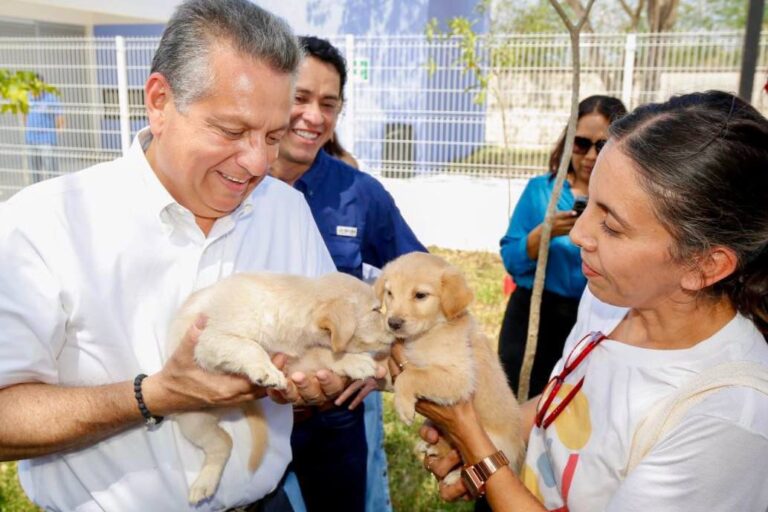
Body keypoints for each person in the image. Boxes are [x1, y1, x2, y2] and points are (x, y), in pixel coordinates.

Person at [0, 2, 362, 511]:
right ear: (159, 101)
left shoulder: (287, 211)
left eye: (273, 136)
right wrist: (154, 395)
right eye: (232, 131)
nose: (258, 162)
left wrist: (320, 381)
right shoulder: (43, 224)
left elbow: (325, 359)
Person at [393, 90, 768, 511]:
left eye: (611, 224)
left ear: (704, 265)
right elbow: (563, 397)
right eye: (588, 207)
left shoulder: (727, 416)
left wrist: (475, 445)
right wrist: (500, 436)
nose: (577, 235)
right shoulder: (609, 299)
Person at [270, 36, 427, 512]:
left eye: (328, 103)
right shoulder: (235, 184)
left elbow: (424, 279)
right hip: (245, 404)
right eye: (300, 97)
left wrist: (384, 363)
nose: (314, 116)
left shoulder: (359, 192)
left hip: (334, 413)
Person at [497, 95, 627, 396]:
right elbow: (511, 260)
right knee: (518, 397)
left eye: (602, 145)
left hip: (595, 320)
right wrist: (542, 235)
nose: (591, 156)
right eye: (581, 144)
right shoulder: (543, 191)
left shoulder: (624, 201)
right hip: (534, 314)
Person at [24, 75, 64, 183]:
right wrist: (27, 128)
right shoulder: (27, 98)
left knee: (50, 167)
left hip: (46, 139)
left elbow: (59, 115)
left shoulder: (50, 98)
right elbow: (25, 115)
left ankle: (54, 188)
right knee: (34, 169)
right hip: (31, 139)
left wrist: (59, 129)